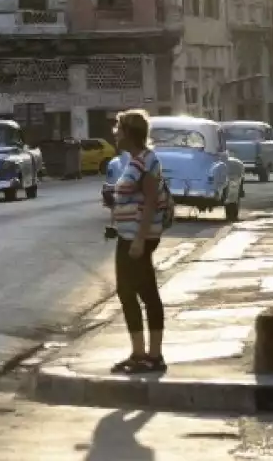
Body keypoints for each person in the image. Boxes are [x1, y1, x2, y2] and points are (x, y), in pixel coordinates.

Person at [109, 109, 170, 374]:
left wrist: (139, 240)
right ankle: (141, 353)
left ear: (129, 133)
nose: (115, 132)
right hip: (129, 235)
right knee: (131, 292)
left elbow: (149, 204)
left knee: (142, 293)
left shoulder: (146, 162)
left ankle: (151, 356)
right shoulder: (136, 160)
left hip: (137, 239)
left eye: (118, 128)